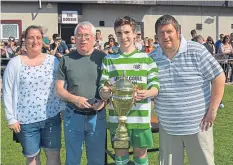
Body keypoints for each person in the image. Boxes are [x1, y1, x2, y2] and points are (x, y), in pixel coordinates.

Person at [150, 15, 225, 165]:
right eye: (161, 33)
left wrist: (213, 110)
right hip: (168, 128)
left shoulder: (197, 51)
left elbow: (219, 77)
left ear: (178, 32)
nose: (166, 36)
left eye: (169, 31)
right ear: (157, 36)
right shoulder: (151, 58)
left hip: (199, 126)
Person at [99, 16, 160, 165]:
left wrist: (147, 93)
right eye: (119, 33)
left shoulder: (146, 59)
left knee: (140, 157)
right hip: (118, 122)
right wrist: (105, 93)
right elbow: (102, 87)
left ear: (134, 34)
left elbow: (155, 86)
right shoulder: (109, 60)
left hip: (140, 119)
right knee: (120, 159)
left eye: (127, 32)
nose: (123, 37)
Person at [2, 25, 62, 165]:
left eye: (38, 38)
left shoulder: (53, 61)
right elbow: (7, 92)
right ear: (24, 40)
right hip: (25, 121)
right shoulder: (14, 63)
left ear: (43, 40)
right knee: (32, 158)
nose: (35, 41)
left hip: (51, 117)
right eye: (31, 38)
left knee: (54, 155)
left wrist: (63, 107)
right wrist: (11, 118)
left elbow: (61, 86)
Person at [56, 21, 106, 165]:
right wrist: (74, 99)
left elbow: (110, 86)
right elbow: (59, 89)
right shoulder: (66, 59)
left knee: (97, 160)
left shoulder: (103, 58)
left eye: (86, 36)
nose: (83, 39)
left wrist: (104, 101)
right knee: (72, 160)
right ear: (74, 38)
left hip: (97, 117)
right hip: (73, 116)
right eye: (79, 35)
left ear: (94, 38)